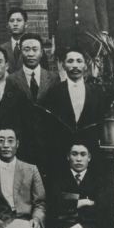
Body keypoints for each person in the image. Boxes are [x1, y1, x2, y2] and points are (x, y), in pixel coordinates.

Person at [41, 47, 105, 175]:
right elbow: (49, 127)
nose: (75, 65)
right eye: (70, 61)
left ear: (85, 65)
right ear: (63, 65)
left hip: (90, 155)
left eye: (79, 61)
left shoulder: (97, 93)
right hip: (61, 156)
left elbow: (100, 124)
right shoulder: (54, 92)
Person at [5, 33, 59, 170]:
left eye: (35, 49)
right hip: (24, 148)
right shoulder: (11, 80)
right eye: (26, 49)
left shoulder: (54, 79)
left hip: (49, 147)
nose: (31, 54)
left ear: (42, 52)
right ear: (20, 52)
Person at [0, 7, 49, 74]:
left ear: (26, 24)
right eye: (12, 21)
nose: (15, 24)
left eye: (19, 20)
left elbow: (45, 74)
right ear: (8, 25)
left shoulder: (36, 47)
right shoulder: (1, 49)